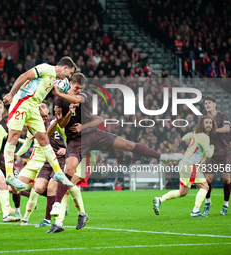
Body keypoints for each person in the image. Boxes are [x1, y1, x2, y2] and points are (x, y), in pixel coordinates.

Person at [50, 73, 183, 217]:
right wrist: (68, 111)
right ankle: (57, 204)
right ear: (70, 83)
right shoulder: (59, 100)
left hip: (92, 134)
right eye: (76, 87)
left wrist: (81, 123)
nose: (79, 90)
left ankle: (162, 157)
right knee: (70, 167)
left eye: (81, 88)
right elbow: (62, 124)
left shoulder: (85, 95)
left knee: (127, 145)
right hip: (75, 140)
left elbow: (77, 99)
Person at [2, 57, 77, 189]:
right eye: (70, 73)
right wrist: (11, 94)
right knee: (13, 136)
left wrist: (57, 92)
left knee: (44, 139)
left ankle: (58, 173)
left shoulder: (54, 78)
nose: (69, 76)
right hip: (22, 103)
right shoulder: (46, 68)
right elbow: (24, 76)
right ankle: (9, 176)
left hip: (34, 107)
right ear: (65, 67)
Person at [153, 116, 216, 217]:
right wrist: (212, 147)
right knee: (205, 186)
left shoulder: (196, 134)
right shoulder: (204, 137)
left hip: (183, 165)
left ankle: (160, 199)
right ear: (202, 125)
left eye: (210, 123)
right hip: (190, 166)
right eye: (206, 123)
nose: (209, 125)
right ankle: (195, 211)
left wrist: (193, 134)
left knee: (183, 192)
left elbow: (183, 138)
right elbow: (209, 154)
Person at [202, 96, 231, 215]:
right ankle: (207, 202)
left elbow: (227, 128)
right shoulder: (204, 119)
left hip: (225, 151)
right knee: (207, 179)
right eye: (205, 103)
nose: (207, 105)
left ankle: (225, 205)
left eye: (209, 103)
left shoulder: (223, 116)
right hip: (211, 153)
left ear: (215, 104)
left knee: (227, 179)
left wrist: (214, 130)